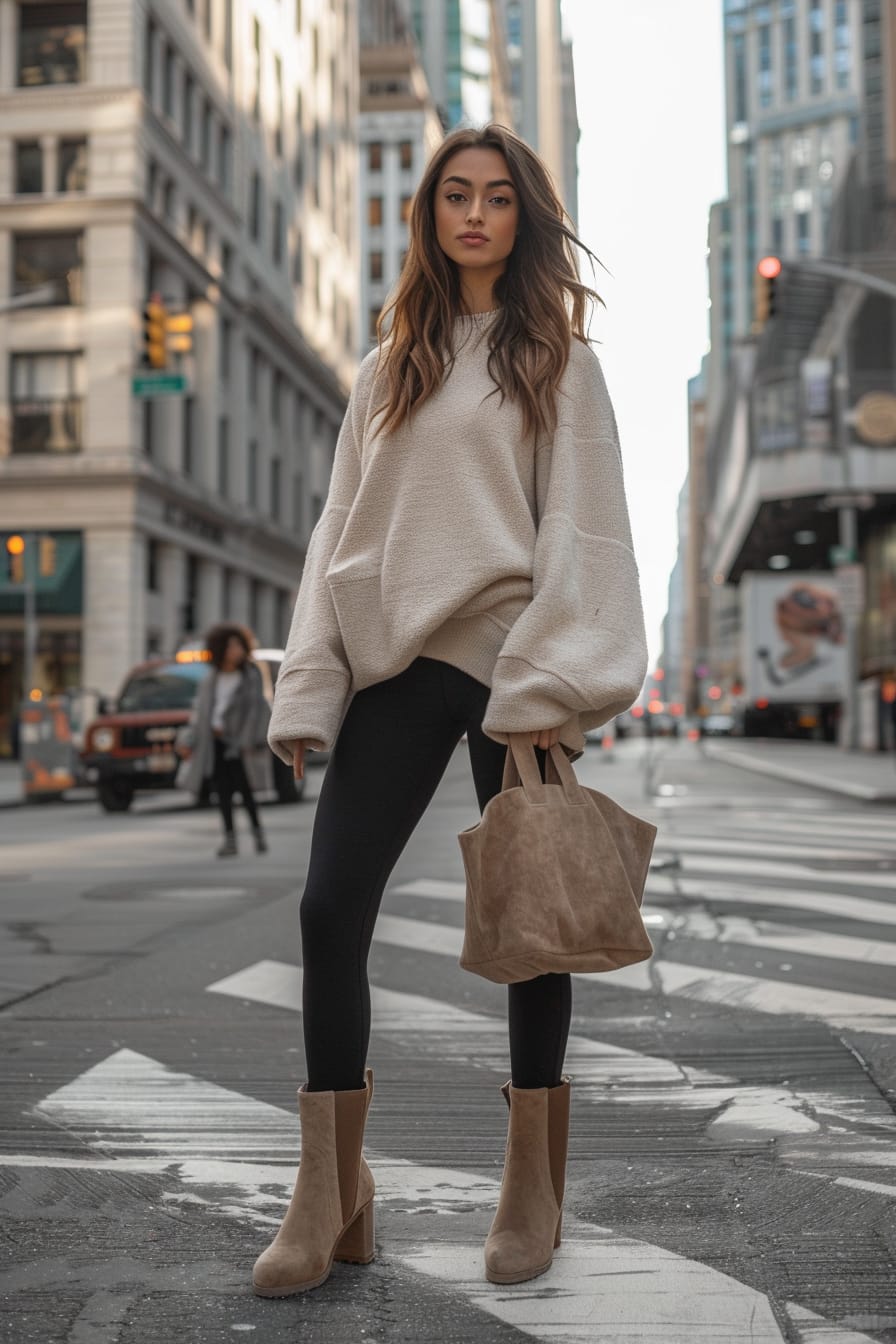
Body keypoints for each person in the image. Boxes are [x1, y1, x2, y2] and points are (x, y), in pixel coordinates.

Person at [253, 124, 647, 1297]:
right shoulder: (386, 368)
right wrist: (309, 683)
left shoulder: (559, 362)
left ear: (523, 217)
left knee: (533, 923)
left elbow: (583, 529)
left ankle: (531, 1185)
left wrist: (544, 684)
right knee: (329, 907)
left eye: (496, 198)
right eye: (453, 197)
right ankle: (332, 1189)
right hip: (395, 665)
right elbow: (338, 533)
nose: (473, 214)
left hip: (512, 671)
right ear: (428, 216)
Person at [180, 623, 271, 858]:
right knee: (222, 793)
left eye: (239, 645)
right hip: (214, 743)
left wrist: (246, 741)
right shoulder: (211, 678)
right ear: (220, 648)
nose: (236, 650)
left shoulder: (250, 676)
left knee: (246, 790)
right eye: (230, 646)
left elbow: (256, 710)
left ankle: (258, 833)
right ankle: (230, 839)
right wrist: (189, 740)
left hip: (240, 744)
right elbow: (200, 713)